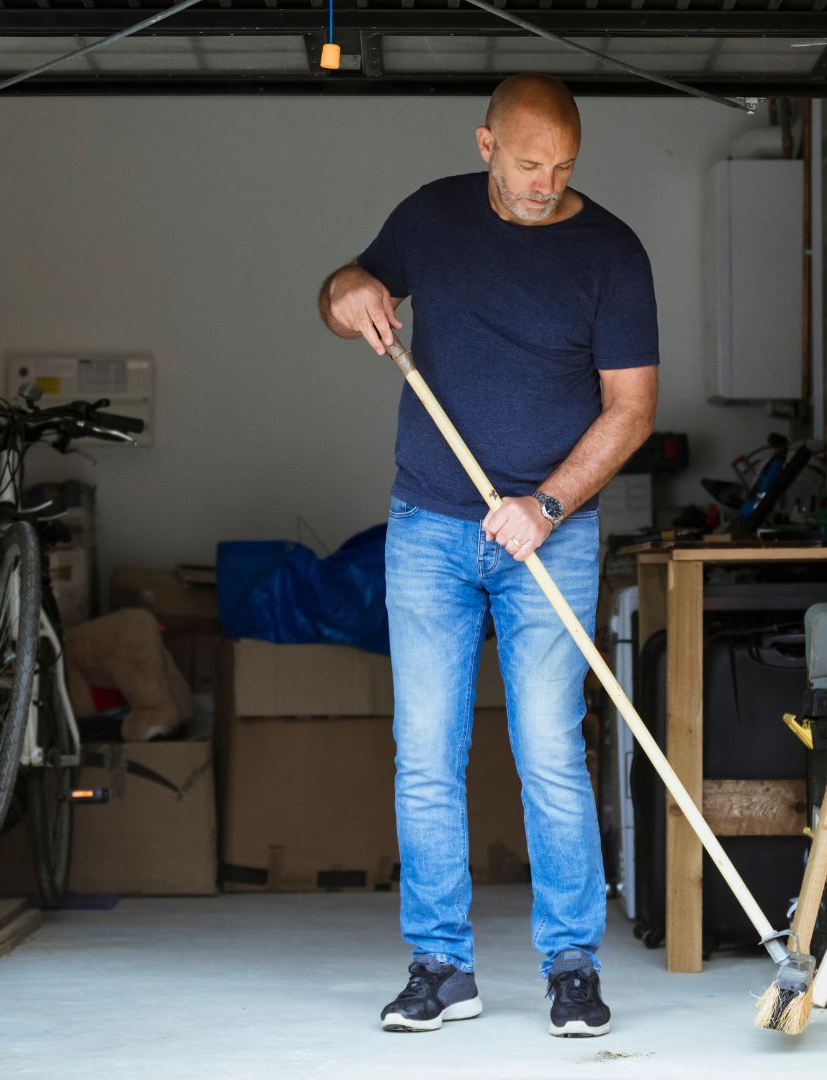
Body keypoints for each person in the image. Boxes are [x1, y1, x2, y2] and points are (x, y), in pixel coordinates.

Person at [317, 72, 659, 1038]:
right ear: (485, 144)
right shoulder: (431, 218)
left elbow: (633, 410)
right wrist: (346, 290)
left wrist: (545, 506)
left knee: (550, 748)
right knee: (426, 752)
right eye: (528, 163)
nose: (546, 184)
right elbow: (346, 290)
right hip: (429, 525)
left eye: (563, 167)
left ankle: (572, 966)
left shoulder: (611, 252)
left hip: (554, 533)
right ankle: (440, 967)